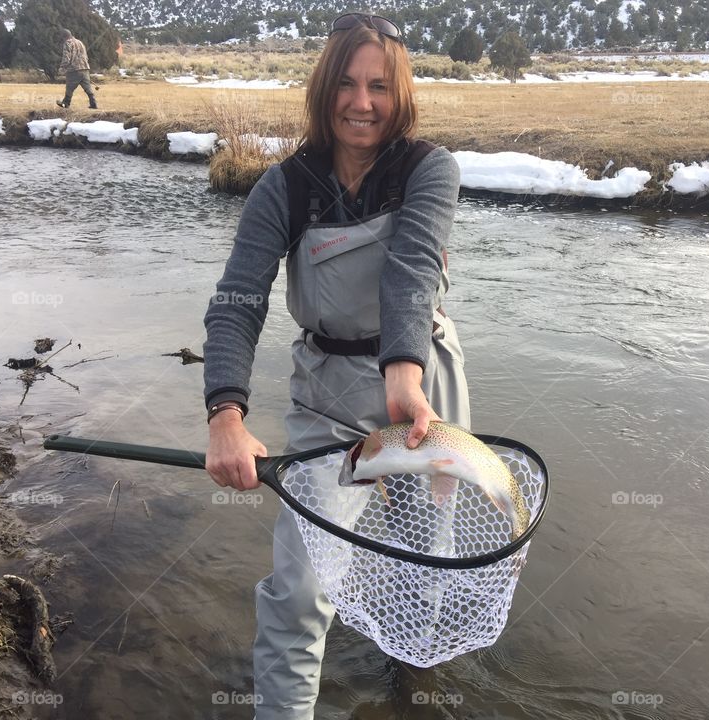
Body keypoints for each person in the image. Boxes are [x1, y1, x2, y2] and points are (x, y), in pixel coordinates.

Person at [202, 11, 469, 719]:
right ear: (325, 92)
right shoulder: (282, 188)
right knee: (299, 588)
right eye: (347, 84)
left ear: (400, 94)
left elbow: (410, 274)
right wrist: (226, 414)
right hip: (324, 396)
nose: (362, 102)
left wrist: (404, 377)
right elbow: (236, 300)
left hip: (420, 393)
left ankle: (411, 688)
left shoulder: (429, 170)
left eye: (380, 86)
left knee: (428, 560)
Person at [56, 28, 97, 110]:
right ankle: (93, 103)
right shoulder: (79, 42)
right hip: (85, 68)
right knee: (88, 88)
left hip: (74, 70)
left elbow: (66, 58)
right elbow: (86, 56)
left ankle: (65, 103)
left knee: (69, 88)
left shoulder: (67, 43)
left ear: (64, 37)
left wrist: (62, 68)